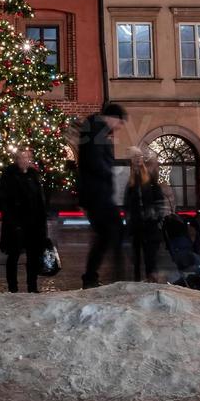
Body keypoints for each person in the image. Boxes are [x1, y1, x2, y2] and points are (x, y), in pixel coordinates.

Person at [78, 102, 127, 288]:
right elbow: (95, 161)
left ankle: (98, 275)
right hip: (96, 194)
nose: (120, 127)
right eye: (120, 122)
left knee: (110, 233)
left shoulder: (99, 131)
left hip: (100, 194)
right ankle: (101, 276)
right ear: (112, 118)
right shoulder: (96, 130)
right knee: (109, 233)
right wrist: (111, 172)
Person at [0, 148, 49, 293]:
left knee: (33, 256)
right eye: (21, 157)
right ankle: (13, 287)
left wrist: (42, 220)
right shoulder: (9, 175)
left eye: (26, 157)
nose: (24, 160)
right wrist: (12, 222)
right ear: (16, 159)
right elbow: (4, 201)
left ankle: (32, 286)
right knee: (14, 255)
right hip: (16, 223)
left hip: (34, 223)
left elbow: (39, 200)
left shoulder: (33, 176)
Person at [125, 154, 168, 283]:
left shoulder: (151, 183)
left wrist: (155, 215)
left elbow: (159, 201)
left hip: (150, 226)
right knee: (138, 257)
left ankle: (151, 279)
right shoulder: (133, 183)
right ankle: (141, 280)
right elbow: (129, 203)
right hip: (138, 225)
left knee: (151, 257)